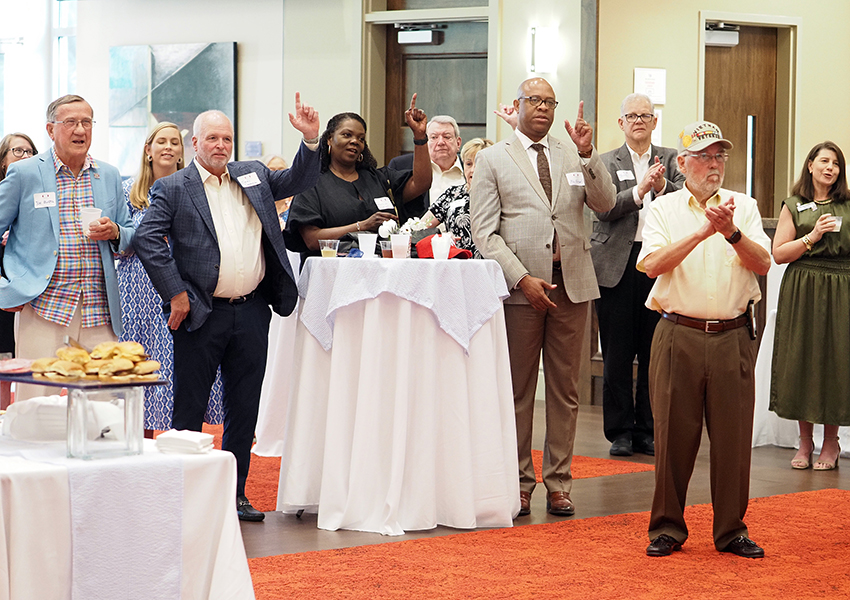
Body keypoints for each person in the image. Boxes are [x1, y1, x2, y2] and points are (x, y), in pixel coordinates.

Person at [134, 94, 322, 522]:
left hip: (253, 311)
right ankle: (183, 495)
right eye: (212, 138)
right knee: (190, 409)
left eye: (227, 138)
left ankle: (235, 495)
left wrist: (311, 140)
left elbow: (297, 180)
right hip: (202, 312)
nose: (221, 145)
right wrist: (176, 293)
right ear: (195, 142)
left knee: (244, 407)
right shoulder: (174, 187)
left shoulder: (252, 174)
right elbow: (147, 239)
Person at [470, 77, 616, 518]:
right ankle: (518, 483)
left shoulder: (572, 152)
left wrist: (590, 156)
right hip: (522, 291)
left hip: (572, 285)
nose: (543, 109)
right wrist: (521, 278)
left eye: (550, 102)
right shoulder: (495, 158)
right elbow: (484, 232)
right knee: (517, 391)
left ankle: (559, 483)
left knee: (565, 391)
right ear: (517, 105)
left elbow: (605, 202)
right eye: (534, 101)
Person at [638, 121, 770, 559]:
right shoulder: (663, 209)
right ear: (683, 163)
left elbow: (764, 264)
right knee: (673, 435)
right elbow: (652, 265)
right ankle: (667, 528)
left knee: (733, 441)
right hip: (678, 334)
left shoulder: (744, 206)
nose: (714, 166)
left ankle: (732, 530)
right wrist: (702, 232)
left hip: (732, 336)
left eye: (720, 157)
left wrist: (731, 231)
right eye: (704, 157)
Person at [0, 95, 134, 401]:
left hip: (99, 309)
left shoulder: (109, 174)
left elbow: (130, 233)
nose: (80, 130)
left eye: (86, 122)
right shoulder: (25, 173)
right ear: (50, 129)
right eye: (70, 122)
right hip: (43, 307)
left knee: (104, 403)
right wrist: (4, 286)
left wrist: (115, 232)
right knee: (34, 400)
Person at [592, 93, 685, 457]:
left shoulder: (673, 159)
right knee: (616, 352)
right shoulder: (604, 161)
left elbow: (685, 202)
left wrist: (661, 186)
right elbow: (604, 207)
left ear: (654, 121)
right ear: (621, 123)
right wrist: (639, 190)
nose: (638, 121)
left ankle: (647, 428)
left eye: (645, 115)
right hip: (616, 263)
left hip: (657, 261)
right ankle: (619, 431)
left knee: (654, 351)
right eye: (631, 115)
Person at [117, 122, 224, 436]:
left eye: (175, 143)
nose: (168, 147)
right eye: (161, 141)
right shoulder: (127, 191)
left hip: (180, 285)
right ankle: (136, 438)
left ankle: (176, 440)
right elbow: (118, 240)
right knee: (138, 359)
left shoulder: (195, 189)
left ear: (182, 151)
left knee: (177, 362)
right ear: (148, 150)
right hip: (136, 289)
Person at [770, 141, 850, 471]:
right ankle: (805, 442)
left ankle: (831, 443)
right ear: (810, 165)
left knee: (835, 359)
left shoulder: (847, 205)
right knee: (803, 358)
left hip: (842, 286)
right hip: (803, 286)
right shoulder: (794, 205)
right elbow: (778, 254)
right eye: (824, 161)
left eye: (836, 164)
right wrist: (812, 236)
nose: (830, 168)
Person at [284, 95, 431, 260]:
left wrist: (420, 136)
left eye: (361, 139)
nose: (355, 141)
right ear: (330, 139)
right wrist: (362, 226)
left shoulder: (380, 178)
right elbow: (311, 240)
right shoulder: (312, 184)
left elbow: (422, 183)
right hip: (333, 274)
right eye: (347, 135)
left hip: (383, 272)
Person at [0, 133, 38, 408]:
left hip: (21, 288)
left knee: (12, 361)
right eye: (17, 150)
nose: (25, 156)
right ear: (3, 160)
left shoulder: (37, 195)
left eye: (30, 152)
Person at [422, 137, 493, 258]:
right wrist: (441, 237)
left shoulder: (500, 194)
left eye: (479, 164)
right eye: (469, 164)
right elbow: (419, 228)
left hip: (490, 265)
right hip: (456, 264)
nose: (473, 170)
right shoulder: (452, 194)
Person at [387, 114, 464, 218]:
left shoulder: (472, 168)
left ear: (458, 143)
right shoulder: (401, 166)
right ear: (425, 142)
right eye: (434, 137)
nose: (441, 142)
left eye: (447, 137)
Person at [262, 154, 293, 227]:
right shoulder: (259, 201)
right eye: (271, 170)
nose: (277, 174)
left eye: (281, 170)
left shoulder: (295, 199)